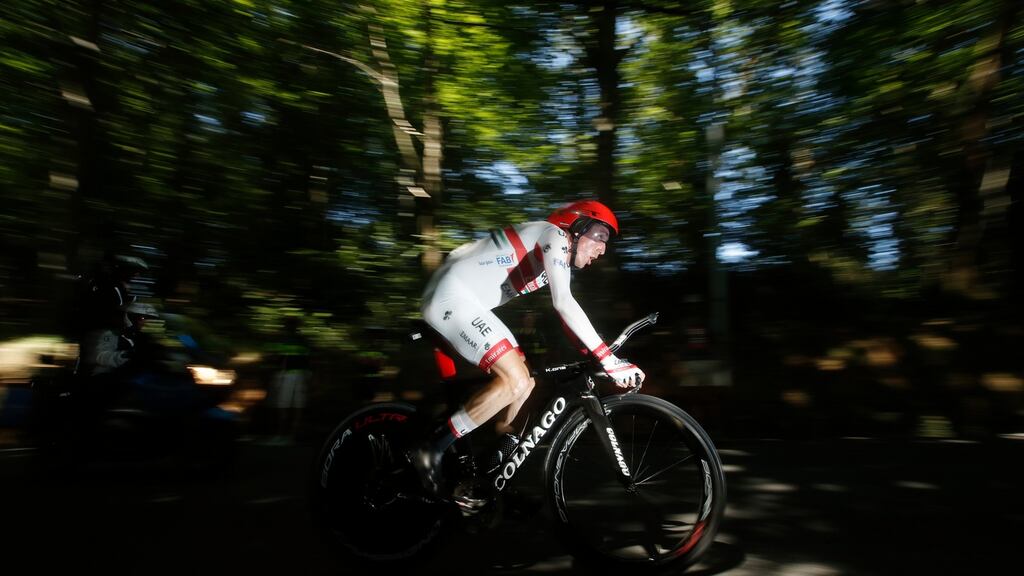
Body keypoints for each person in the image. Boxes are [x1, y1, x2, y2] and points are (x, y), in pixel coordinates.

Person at [413, 200, 645, 494]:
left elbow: (566, 320)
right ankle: (433, 447)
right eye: (600, 236)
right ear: (576, 227)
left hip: (466, 302)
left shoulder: (553, 255)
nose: (602, 249)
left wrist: (596, 356)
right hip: (452, 298)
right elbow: (564, 303)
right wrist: (609, 360)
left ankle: (490, 474)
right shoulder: (554, 236)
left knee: (526, 383)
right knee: (514, 379)